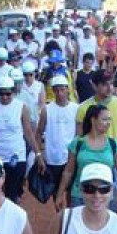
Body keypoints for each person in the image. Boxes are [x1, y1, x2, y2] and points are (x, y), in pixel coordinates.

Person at [0, 75, 44, 204]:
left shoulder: (21, 107)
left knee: (13, 194)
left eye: (8, 93)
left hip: (16, 156)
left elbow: (28, 132)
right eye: (1, 93)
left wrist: (38, 153)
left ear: (13, 91)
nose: (4, 97)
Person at [58, 104, 117, 212]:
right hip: (80, 195)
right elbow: (68, 171)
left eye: (109, 119)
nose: (108, 123)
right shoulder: (78, 143)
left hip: (106, 196)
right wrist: (60, 194)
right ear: (93, 120)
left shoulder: (113, 144)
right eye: (104, 119)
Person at [37, 75, 80, 203]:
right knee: (57, 194)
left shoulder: (76, 109)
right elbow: (38, 133)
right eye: (57, 90)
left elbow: (79, 135)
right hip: (53, 159)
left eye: (62, 89)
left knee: (72, 193)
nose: (60, 93)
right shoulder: (46, 110)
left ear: (68, 90)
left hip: (71, 158)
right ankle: (61, 218)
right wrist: (39, 154)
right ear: (53, 91)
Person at [75, 69, 117, 160]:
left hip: (116, 157)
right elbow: (79, 137)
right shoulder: (83, 108)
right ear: (94, 86)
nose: (110, 88)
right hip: (92, 158)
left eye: (111, 83)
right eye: (104, 84)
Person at [20, 60, 46, 131]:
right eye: (25, 75)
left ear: (34, 73)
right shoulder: (19, 85)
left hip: (34, 119)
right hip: (20, 118)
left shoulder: (39, 85)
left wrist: (36, 114)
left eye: (30, 74)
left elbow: (42, 103)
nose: (28, 77)